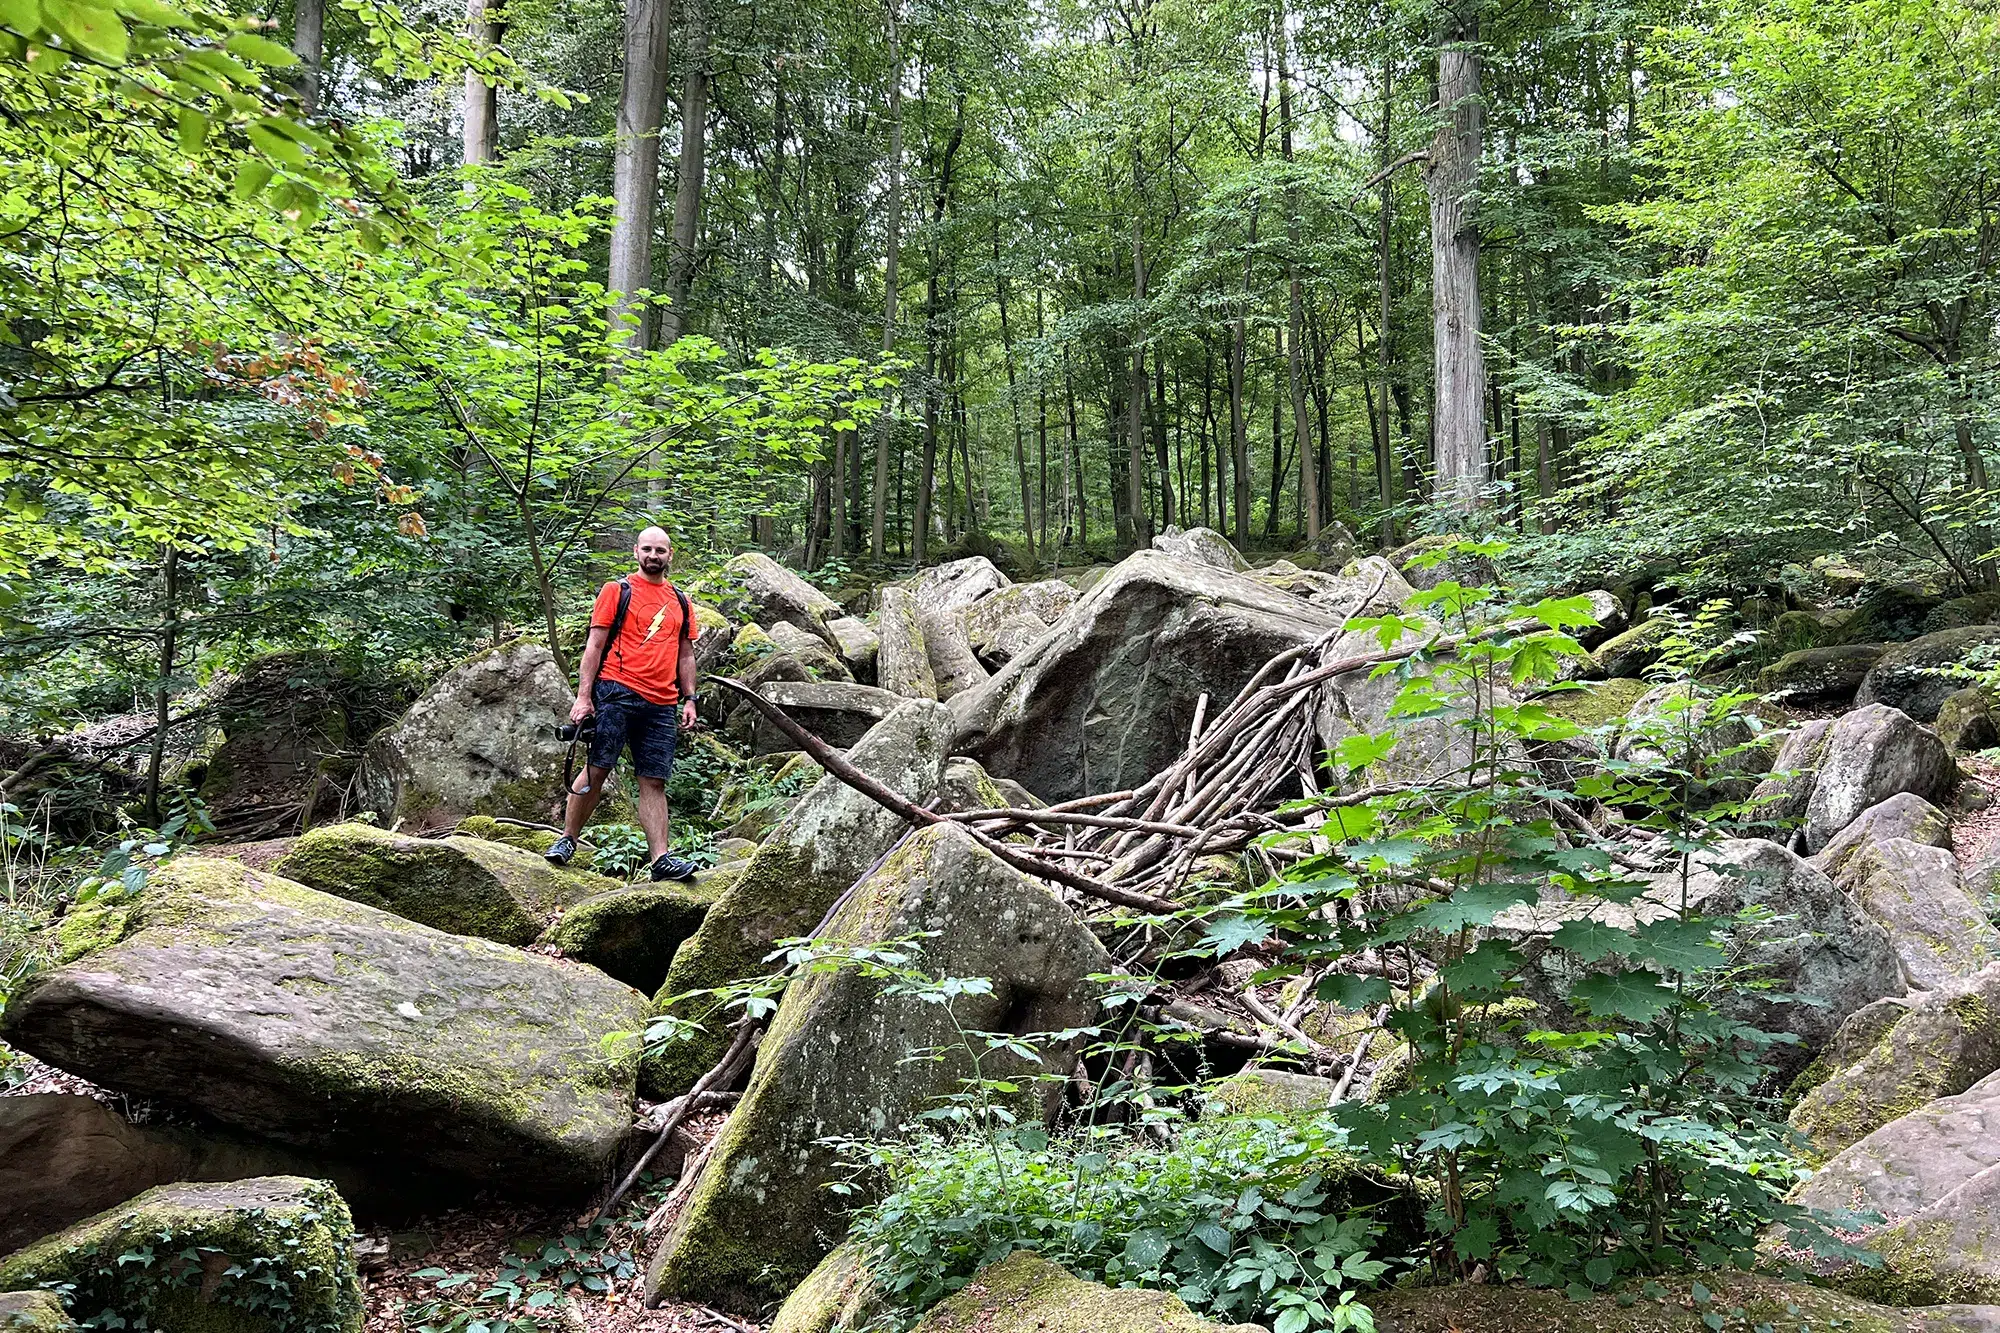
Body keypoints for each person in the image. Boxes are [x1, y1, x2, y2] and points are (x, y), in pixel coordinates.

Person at [546, 526, 701, 880]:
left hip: (662, 703)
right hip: (616, 693)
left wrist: (689, 699)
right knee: (598, 768)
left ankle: (661, 860)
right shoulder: (618, 591)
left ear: (670, 555)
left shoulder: (680, 600)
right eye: (647, 549)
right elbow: (595, 646)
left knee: (654, 781)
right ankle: (567, 839)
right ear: (635, 552)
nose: (653, 556)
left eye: (660, 550)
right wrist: (583, 697)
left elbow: (686, 654)